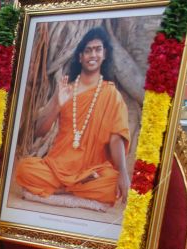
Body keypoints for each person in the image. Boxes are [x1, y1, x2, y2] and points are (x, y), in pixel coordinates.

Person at [14, 27, 130, 209]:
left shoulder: (112, 95)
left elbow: (116, 139)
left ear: (105, 54)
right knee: (24, 168)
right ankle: (72, 191)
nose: (93, 55)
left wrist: (123, 172)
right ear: (80, 57)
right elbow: (40, 131)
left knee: (111, 182)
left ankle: (59, 190)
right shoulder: (66, 90)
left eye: (98, 49)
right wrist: (57, 105)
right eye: (88, 50)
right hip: (57, 166)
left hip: (91, 171)